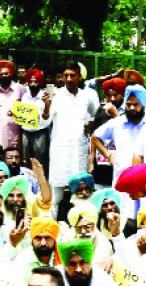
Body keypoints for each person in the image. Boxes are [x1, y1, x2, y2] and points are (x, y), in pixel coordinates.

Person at [44, 61, 99, 209]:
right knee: (56, 195)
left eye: (72, 75)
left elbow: (96, 113)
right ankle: (52, 226)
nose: (68, 79)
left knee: (81, 192)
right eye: (65, 75)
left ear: (79, 77)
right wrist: (46, 106)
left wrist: (90, 124)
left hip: (79, 149)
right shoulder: (55, 95)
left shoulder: (88, 95)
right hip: (60, 150)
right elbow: (45, 120)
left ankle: (81, 224)